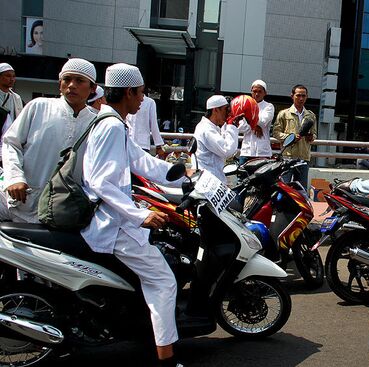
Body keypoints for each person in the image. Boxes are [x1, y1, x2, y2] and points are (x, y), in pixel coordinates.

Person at [82, 63, 187, 367]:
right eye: (141, 93)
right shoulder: (112, 125)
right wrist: (139, 215)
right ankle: (166, 359)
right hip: (114, 225)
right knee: (164, 282)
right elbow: (101, 181)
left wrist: (181, 175)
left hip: (115, 219)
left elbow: (141, 160)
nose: (143, 100)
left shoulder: (112, 121)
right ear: (128, 92)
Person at [1, 58, 97, 222]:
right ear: (60, 84)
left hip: (59, 211)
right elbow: (11, 143)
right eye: (66, 79)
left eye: (79, 80)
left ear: (93, 88)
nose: (72, 85)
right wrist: (15, 177)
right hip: (17, 199)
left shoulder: (96, 122)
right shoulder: (39, 106)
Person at [273, 84, 317, 189]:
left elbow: (314, 133)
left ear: (307, 97)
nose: (301, 98)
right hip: (287, 156)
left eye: (303, 96)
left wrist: (311, 137)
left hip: (303, 157)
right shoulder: (284, 114)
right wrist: (290, 137)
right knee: (283, 188)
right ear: (292, 96)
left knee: (301, 190)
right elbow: (276, 132)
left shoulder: (311, 115)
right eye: (298, 95)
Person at [194, 95, 240, 183]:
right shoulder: (206, 129)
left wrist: (230, 124)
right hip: (209, 181)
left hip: (212, 178)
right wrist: (232, 126)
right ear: (215, 110)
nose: (228, 113)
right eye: (225, 109)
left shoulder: (212, 127)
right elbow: (227, 150)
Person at [239, 80, 275, 164]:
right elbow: (241, 128)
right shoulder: (244, 106)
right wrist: (255, 126)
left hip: (262, 152)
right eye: (254, 91)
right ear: (251, 92)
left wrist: (248, 118)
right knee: (243, 177)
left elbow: (263, 122)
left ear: (265, 93)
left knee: (262, 177)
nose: (257, 94)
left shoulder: (269, 106)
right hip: (246, 151)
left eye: (260, 91)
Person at [0, 63, 24, 162]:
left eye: (13, 76)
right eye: (8, 76)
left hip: (10, 140)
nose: (12, 79)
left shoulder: (16, 98)